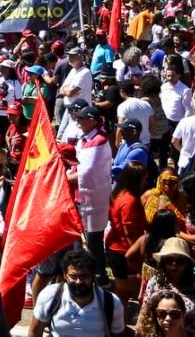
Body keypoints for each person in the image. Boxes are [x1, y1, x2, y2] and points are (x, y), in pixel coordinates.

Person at [29, 248, 125, 337]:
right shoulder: (50, 296)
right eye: (73, 277)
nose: (78, 282)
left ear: (93, 276)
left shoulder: (112, 303)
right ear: (65, 276)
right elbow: (34, 332)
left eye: (83, 276)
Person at [69, 101, 112, 286]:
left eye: (81, 118)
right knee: (83, 238)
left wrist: (62, 179)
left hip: (93, 198)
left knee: (94, 241)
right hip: (82, 196)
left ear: (93, 121)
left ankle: (99, 277)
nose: (77, 121)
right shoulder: (85, 137)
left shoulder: (99, 141)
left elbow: (86, 171)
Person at [143, 238, 195, 337]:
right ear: (163, 262)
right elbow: (145, 314)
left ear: (187, 263)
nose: (174, 264)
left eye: (180, 261)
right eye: (169, 260)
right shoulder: (154, 283)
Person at [105, 162, 148, 304]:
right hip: (123, 251)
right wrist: (137, 254)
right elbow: (129, 232)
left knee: (124, 290)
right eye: (144, 179)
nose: (145, 182)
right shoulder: (129, 201)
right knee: (123, 293)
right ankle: (117, 323)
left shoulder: (117, 194)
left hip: (116, 246)